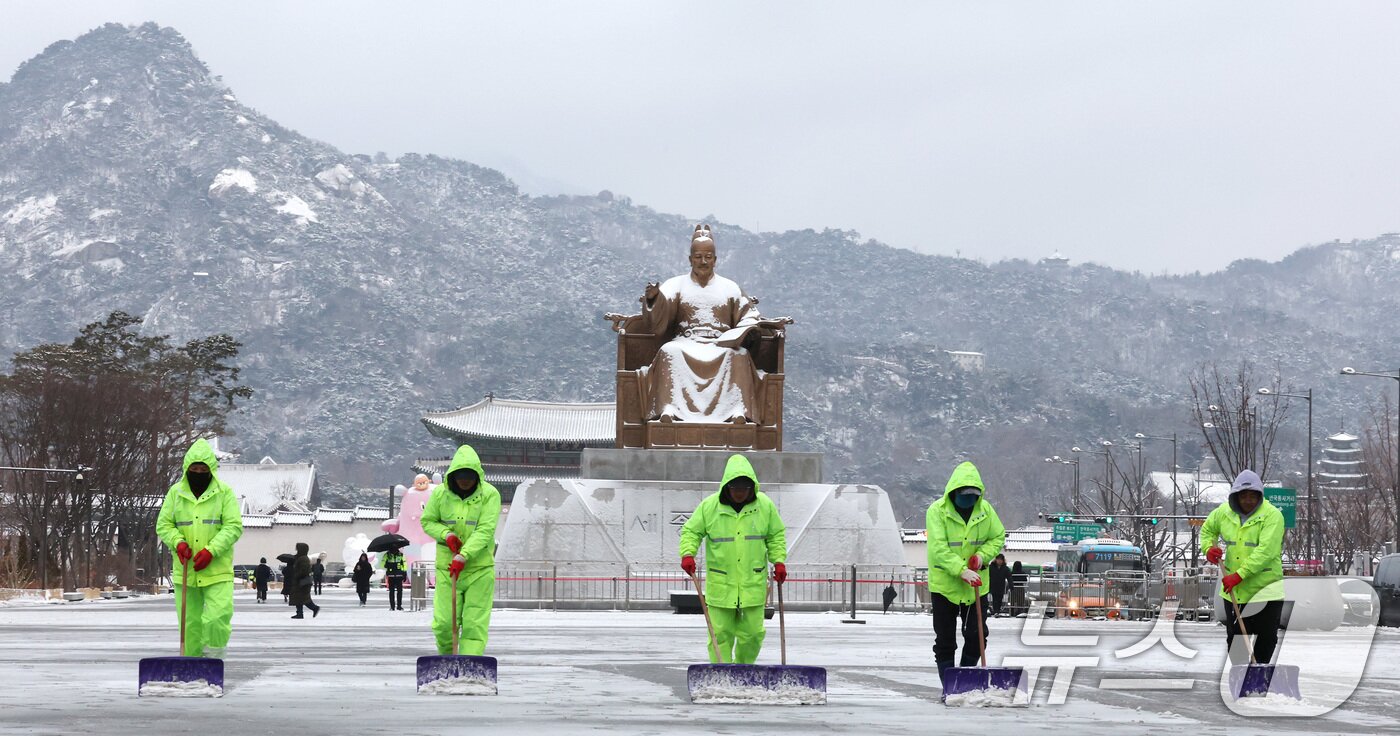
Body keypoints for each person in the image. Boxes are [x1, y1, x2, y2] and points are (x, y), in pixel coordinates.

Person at [634, 224, 786, 423]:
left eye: (708, 257)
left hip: (721, 343)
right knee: (669, 352)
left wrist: (745, 328)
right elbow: (661, 313)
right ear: (690, 259)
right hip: (686, 342)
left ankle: (737, 410)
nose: (703, 261)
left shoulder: (730, 287)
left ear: (715, 260)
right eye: (698, 257)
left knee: (739, 356)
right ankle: (669, 409)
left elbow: (749, 314)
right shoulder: (676, 284)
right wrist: (654, 299)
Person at [678, 454, 788, 663]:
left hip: (752, 584)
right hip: (721, 584)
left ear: (751, 488)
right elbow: (691, 531)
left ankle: (743, 670)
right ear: (727, 487)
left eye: (744, 489)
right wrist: (687, 553)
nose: (739, 494)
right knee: (720, 635)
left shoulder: (764, 506)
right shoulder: (710, 507)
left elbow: (776, 535)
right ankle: (722, 673)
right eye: (735, 489)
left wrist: (779, 561)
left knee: (753, 634)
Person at [154, 438, 244, 657]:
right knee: (189, 624)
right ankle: (191, 665)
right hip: (186, 571)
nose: (198, 472)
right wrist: (178, 542)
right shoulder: (176, 494)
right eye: (194, 468)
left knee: (216, 618)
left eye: (203, 469)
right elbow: (164, 525)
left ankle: (213, 660)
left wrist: (211, 550)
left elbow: (233, 526)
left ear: (211, 469)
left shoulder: (225, 494)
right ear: (186, 469)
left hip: (217, 570)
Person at [925, 461, 1006, 693]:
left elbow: (997, 536)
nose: (969, 500)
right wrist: (961, 570)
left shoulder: (986, 511)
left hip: (977, 586)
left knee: (976, 635)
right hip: (945, 586)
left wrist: (982, 557)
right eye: (965, 495)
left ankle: (966, 682)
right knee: (945, 639)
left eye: (974, 495)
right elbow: (938, 549)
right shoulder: (937, 512)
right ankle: (950, 686)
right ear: (954, 492)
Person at [421, 444, 501, 655]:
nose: (464, 480)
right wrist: (447, 535)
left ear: (477, 475)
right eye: (460, 475)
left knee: (474, 623)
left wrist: (464, 555)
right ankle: (447, 661)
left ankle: (470, 664)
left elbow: (485, 529)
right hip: (448, 569)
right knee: (445, 623)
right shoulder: (440, 494)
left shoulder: (490, 495)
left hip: (479, 569)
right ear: (452, 475)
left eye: (469, 475)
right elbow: (428, 521)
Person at [1201, 469, 1287, 665]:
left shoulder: (1273, 516)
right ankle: (1240, 675)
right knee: (1236, 638)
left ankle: (1259, 673)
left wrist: (1240, 575)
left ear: (1260, 496)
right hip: (1235, 591)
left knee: (1266, 637)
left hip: (1266, 590)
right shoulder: (1223, 512)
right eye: (1244, 496)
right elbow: (1207, 530)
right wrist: (1209, 548)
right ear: (1236, 496)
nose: (1248, 500)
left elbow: (1266, 552)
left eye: (1253, 496)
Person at [289, 542, 321, 619]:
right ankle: (300, 613)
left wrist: (296, 575)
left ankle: (314, 608)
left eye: (297, 549)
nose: (296, 550)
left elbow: (304, 570)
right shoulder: (302, 558)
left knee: (303, 598)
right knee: (300, 598)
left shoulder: (303, 559)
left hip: (302, 582)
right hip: (301, 582)